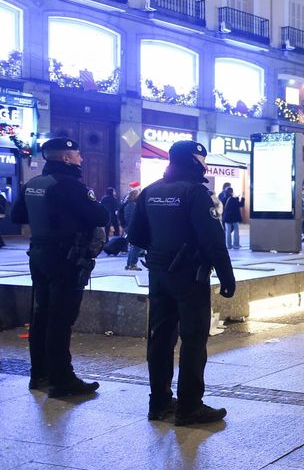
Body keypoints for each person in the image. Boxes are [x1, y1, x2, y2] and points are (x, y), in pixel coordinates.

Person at [128, 141, 236, 425]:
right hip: (190, 276)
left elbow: (135, 236)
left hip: (158, 273)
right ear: (192, 160)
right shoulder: (196, 193)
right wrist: (227, 276)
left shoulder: (150, 191)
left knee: (161, 338)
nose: (204, 163)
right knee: (193, 339)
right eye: (201, 158)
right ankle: (190, 406)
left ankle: (159, 402)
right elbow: (213, 240)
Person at [10, 137, 108, 397]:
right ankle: (62, 379)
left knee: (41, 315)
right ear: (65, 158)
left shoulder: (33, 183)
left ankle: (39, 374)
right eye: (77, 155)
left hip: (39, 254)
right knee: (61, 319)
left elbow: (16, 216)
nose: (81, 159)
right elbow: (100, 216)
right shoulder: (70, 185)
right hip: (66, 257)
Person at [122, 187, 143, 270]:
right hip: (134, 228)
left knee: (132, 246)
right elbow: (136, 218)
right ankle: (132, 264)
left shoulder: (127, 205)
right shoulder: (134, 206)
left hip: (129, 227)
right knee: (136, 246)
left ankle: (129, 264)